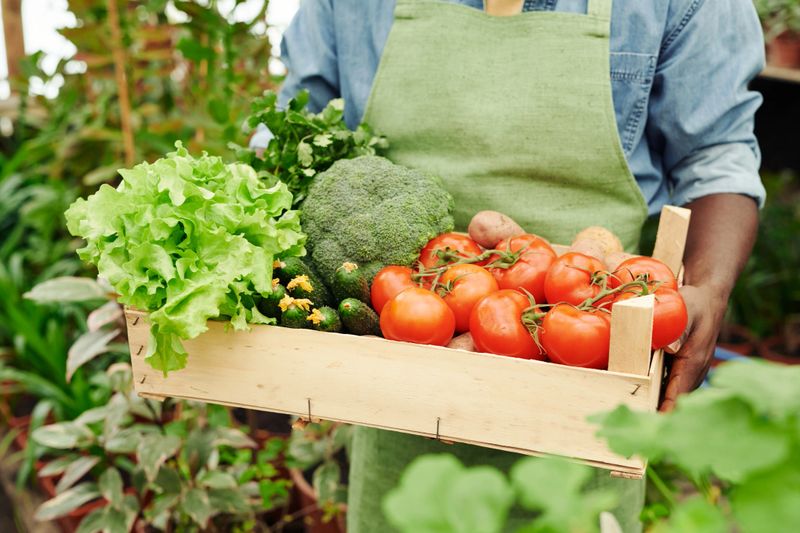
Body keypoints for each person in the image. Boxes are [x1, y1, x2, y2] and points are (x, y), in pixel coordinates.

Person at [251, 0, 766, 531]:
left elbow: (716, 154)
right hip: (401, 370)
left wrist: (709, 288)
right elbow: (292, 127)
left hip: (592, 357)